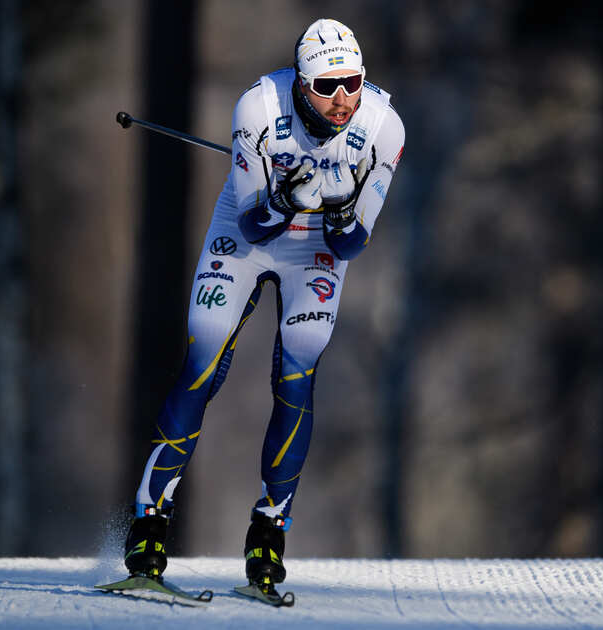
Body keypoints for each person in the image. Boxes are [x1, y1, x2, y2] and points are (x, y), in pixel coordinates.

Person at [121, 18, 404, 597]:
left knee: (297, 374)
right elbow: (254, 220)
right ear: (300, 85)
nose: (343, 98)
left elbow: (353, 243)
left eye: (352, 82)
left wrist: (343, 210)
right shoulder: (257, 108)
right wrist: (286, 196)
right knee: (201, 361)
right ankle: (148, 530)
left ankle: (268, 535)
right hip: (247, 238)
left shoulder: (384, 127)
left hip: (317, 248)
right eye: (326, 86)